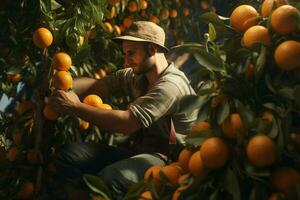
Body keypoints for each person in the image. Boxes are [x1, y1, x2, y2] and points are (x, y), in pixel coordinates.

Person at [48, 21, 198, 199]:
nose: (126, 60)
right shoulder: (139, 75)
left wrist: (75, 107)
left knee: (110, 179)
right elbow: (101, 85)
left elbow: (127, 123)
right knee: (67, 156)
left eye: (131, 53)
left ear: (152, 49)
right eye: (126, 54)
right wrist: (59, 87)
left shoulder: (171, 86)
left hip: (170, 161)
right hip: (140, 151)